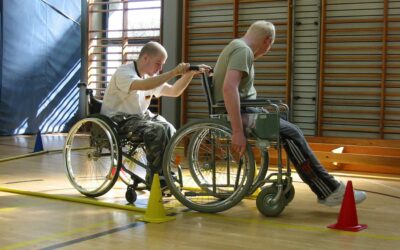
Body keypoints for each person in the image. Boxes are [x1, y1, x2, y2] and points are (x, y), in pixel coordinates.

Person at [212, 20, 366, 206]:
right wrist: (237, 131)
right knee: (292, 133)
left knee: (288, 126)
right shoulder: (243, 50)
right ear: (268, 41)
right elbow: (229, 89)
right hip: (240, 112)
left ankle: (326, 187)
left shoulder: (236, 46)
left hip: (245, 109)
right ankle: (329, 191)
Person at [101, 41, 210, 187]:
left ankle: (164, 172)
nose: (160, 68)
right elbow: (144, 85)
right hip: (117, 119)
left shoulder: (149, 78)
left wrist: (189, 75)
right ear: (145, 58)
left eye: (162, 65)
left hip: (138, 118)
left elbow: (174, 91)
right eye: (158, 63)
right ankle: (155, 177)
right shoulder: (124, 72)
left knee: (168, 127)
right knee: (156, 130)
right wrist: (173, 72)